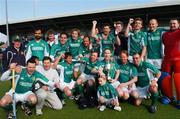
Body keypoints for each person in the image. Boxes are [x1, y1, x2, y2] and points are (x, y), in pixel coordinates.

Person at [161, 18, 180, 109]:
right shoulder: (165, 34)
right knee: (165, 77)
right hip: (167, 59)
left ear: (178, 24)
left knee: (178, 78)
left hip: (178, 59)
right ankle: (168, 96)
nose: (172, 25)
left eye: (174, 23)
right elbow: (165, 44)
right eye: (171, 23)